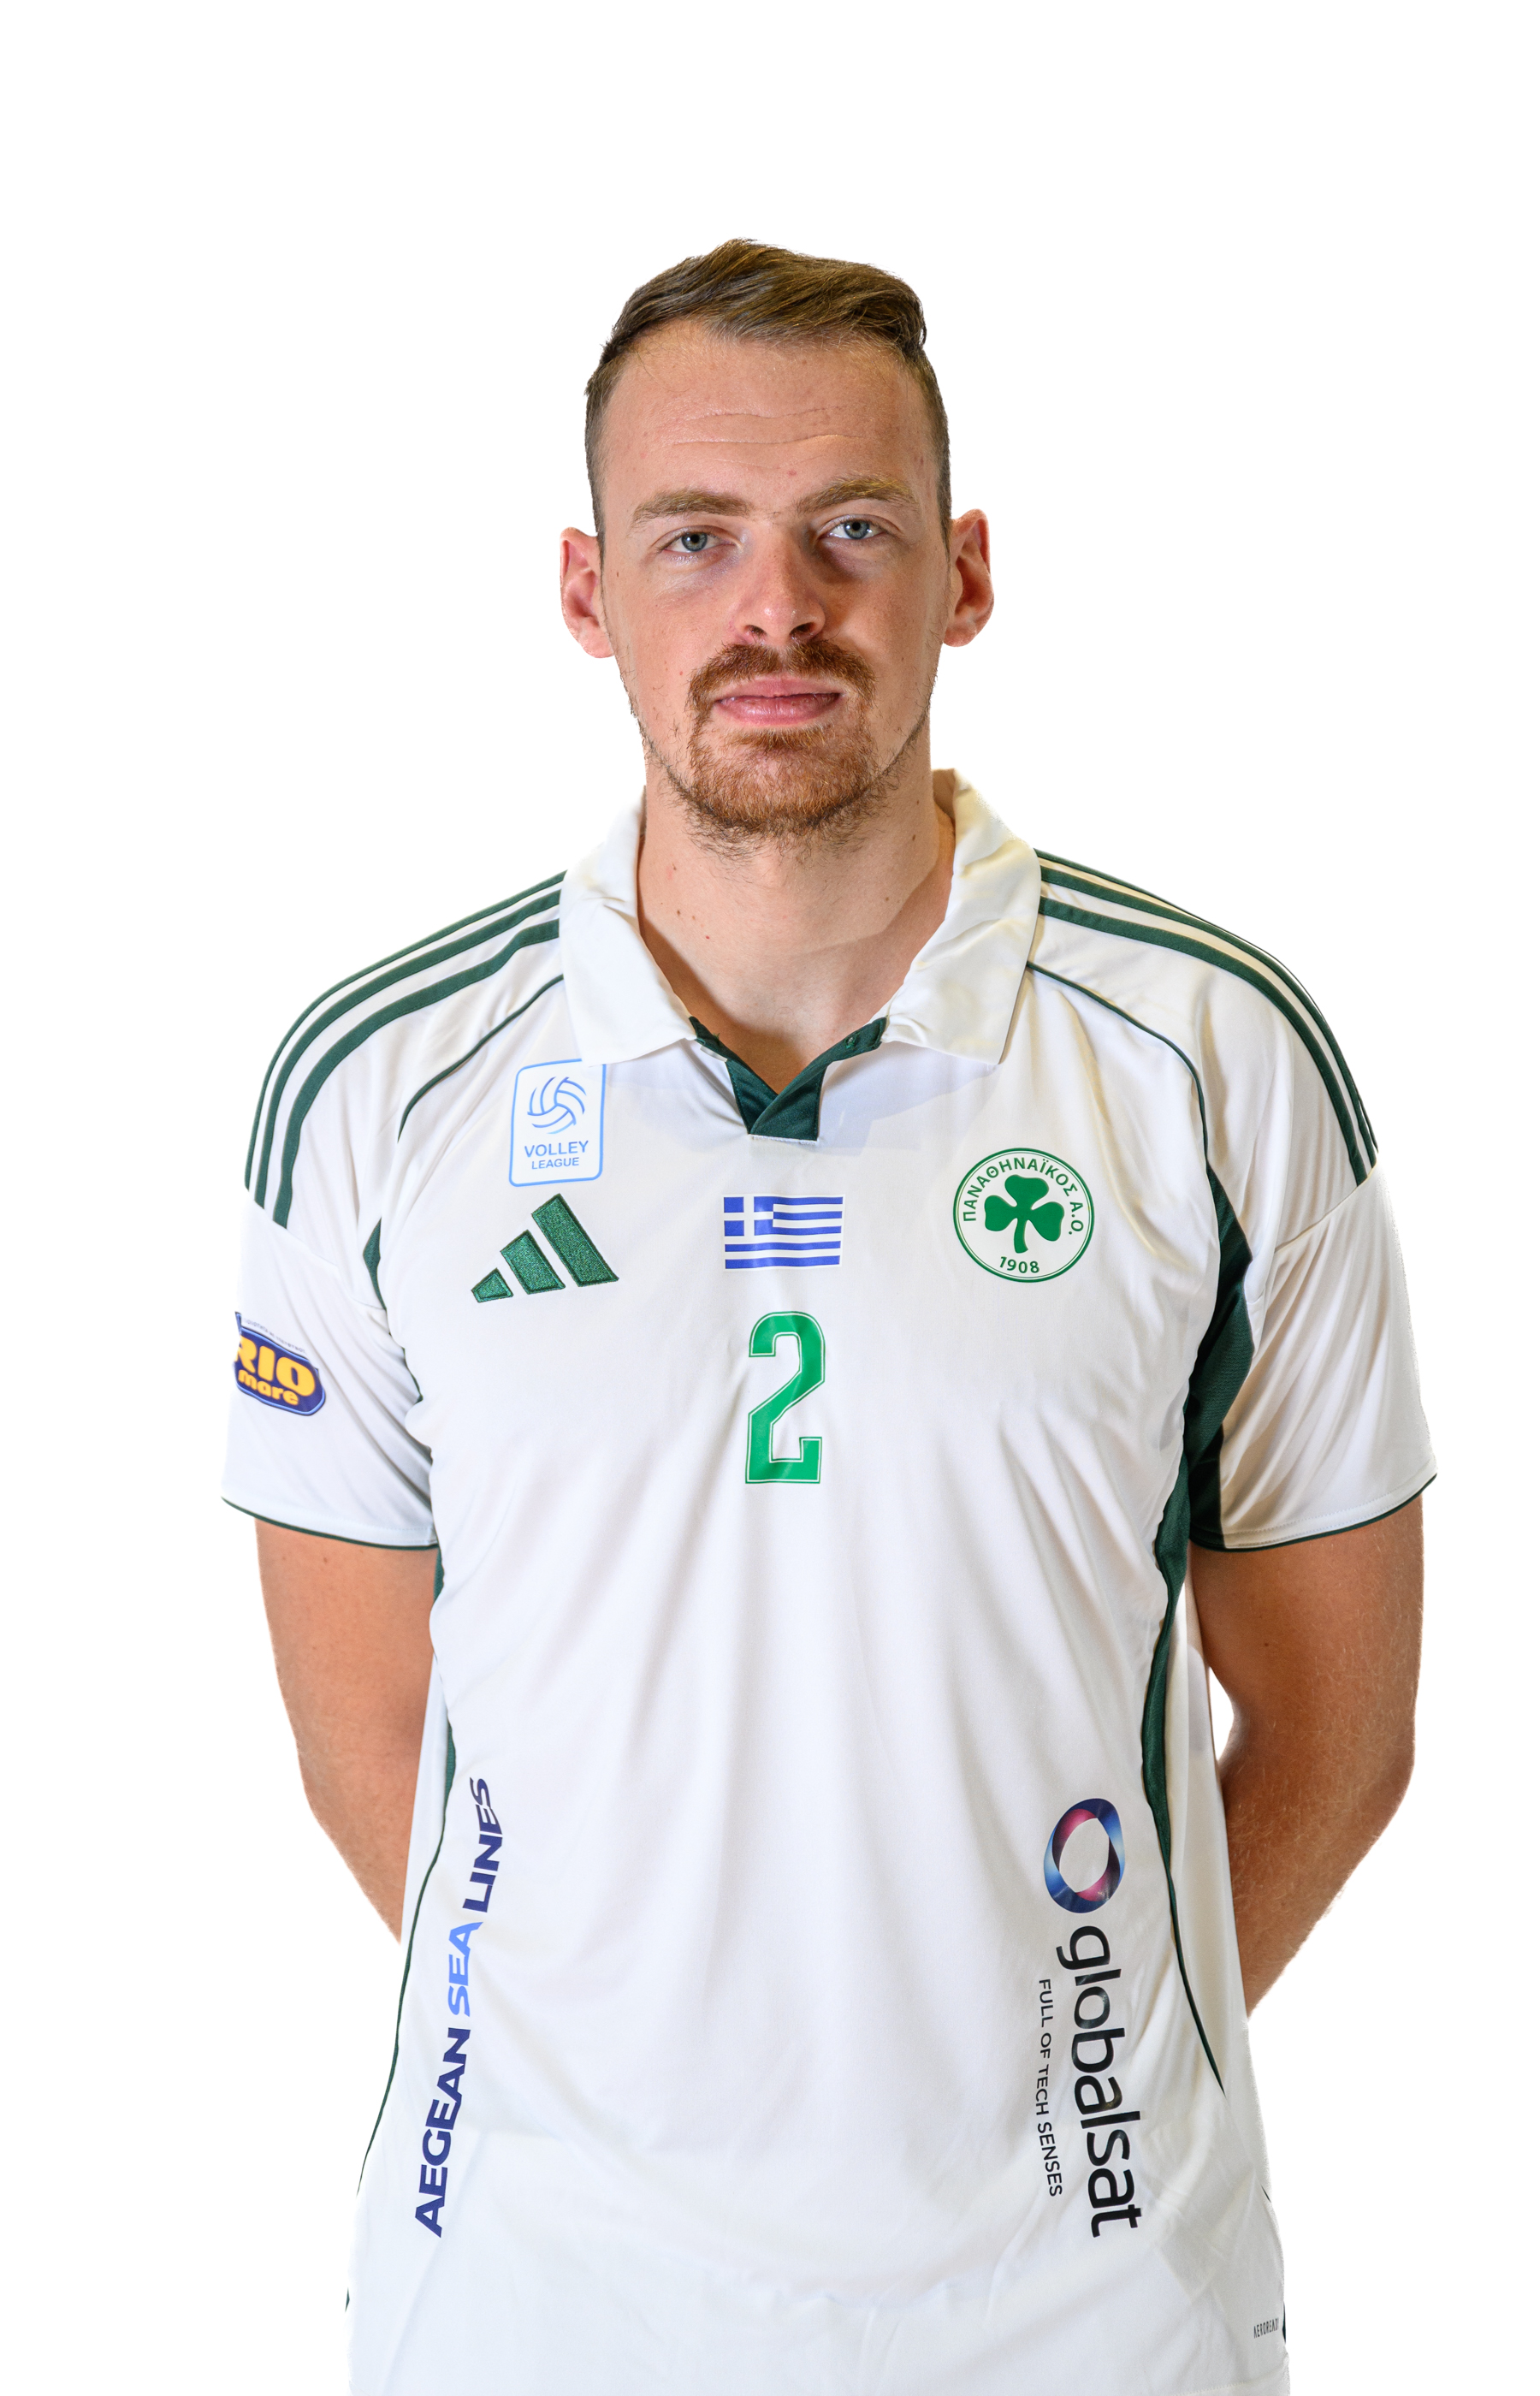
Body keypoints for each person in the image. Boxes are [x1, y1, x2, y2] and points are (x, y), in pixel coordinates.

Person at [224, 240, 1432, 2395]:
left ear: (964, 575)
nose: (775, 608)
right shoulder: (384, 1090)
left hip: (1091, 2318)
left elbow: (1341, 1733)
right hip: (536, 2305)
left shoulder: (1210, 1060)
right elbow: (365, 1735)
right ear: (589, 592)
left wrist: (1051, 2088)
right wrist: (656, 2081)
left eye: (850, 529)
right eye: (694, 537)